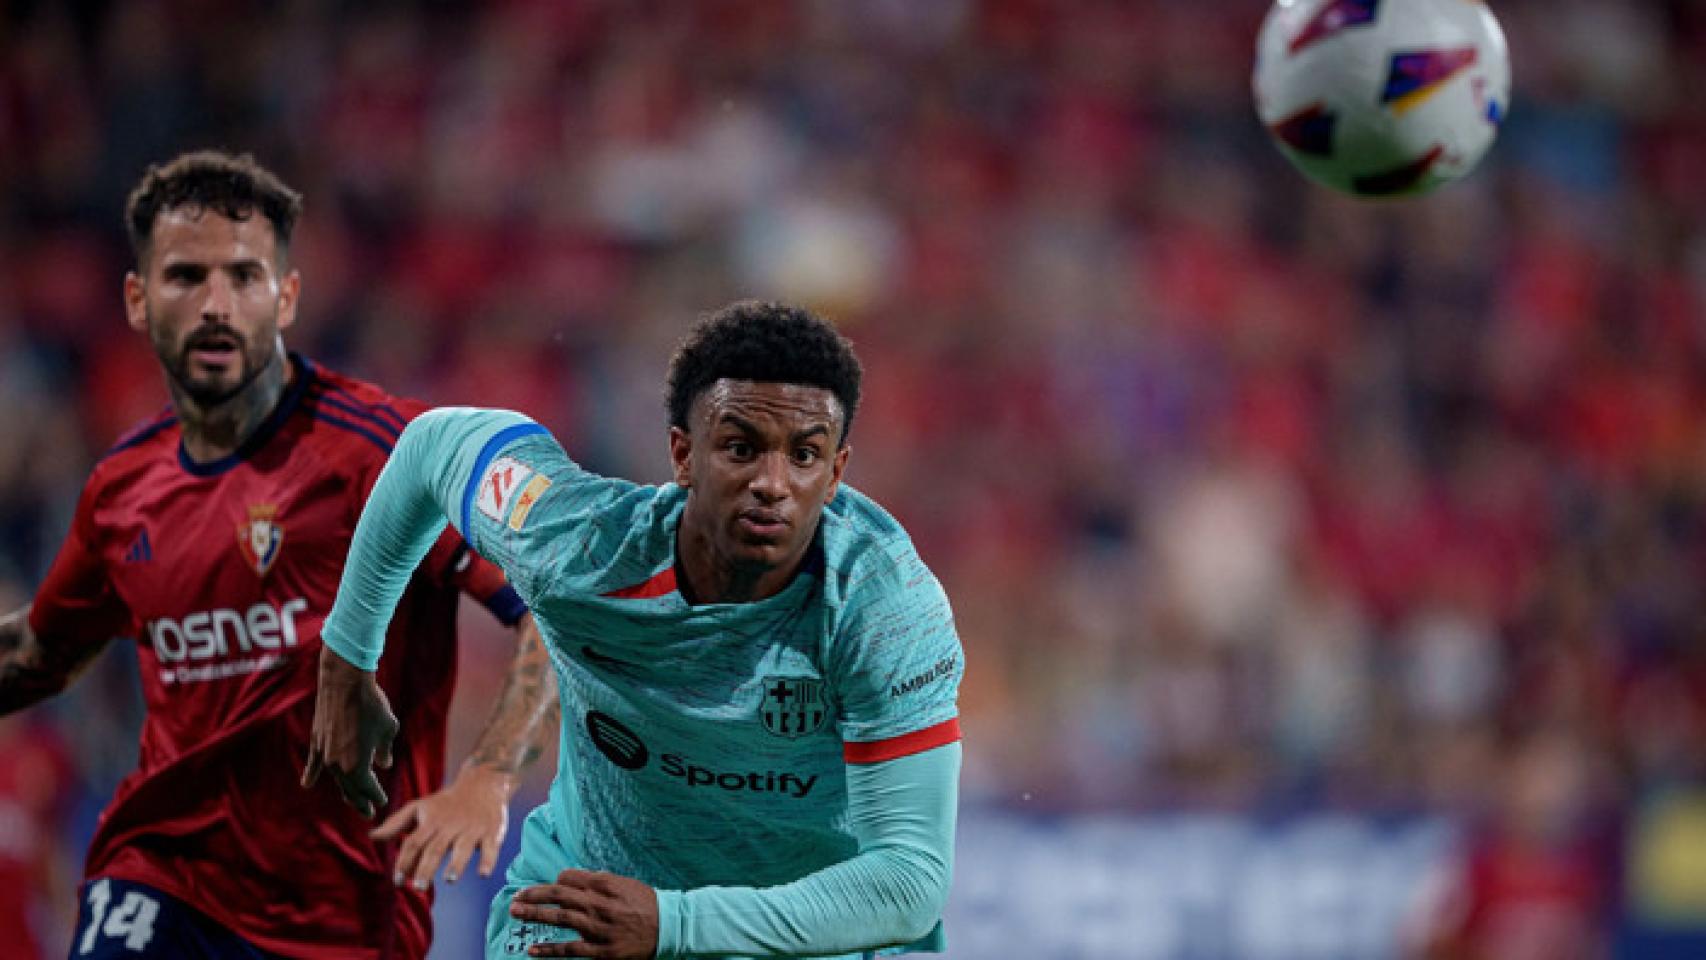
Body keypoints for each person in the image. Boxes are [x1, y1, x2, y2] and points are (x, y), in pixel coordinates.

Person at [0, 150, 557, 960]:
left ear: (287, 295)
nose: (215, 305)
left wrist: (489, 778)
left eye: (244, 276)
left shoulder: (386, 454)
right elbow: (38, 655)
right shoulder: (122, 488)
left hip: (341, 910)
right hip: (165, 882)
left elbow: (549, 614)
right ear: (137, 299)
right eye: (185, 276)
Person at [303, 301, 964, 959]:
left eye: (805, 456)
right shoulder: (579, 546)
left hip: (803, 938)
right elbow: (431, 447)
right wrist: (347, 655)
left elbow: (908, 881)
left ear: (836, 473)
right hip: (588, 906)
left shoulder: (885, 610)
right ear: (683, 454)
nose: (772, 483)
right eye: (740, 448)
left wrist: (673, 924)